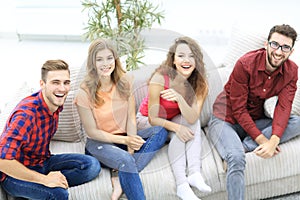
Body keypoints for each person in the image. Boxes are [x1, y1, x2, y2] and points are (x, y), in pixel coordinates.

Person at [207, 24, 300, 200]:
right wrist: (263, 140)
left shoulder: (291, 71)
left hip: (254, 120)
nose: (279, 52)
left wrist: (274, 140)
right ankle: (237, 149)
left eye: (285, 47)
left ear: (291, 51)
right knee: (236, 158)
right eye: (275, 45)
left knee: (296, 121)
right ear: (266, 44)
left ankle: (245, 145)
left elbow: (284, 107)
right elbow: (239, 109)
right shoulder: (245, 64)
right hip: (224, 119)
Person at [74, 38, 168, 200]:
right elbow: (92, 132)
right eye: (99, 59)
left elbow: (131, 117)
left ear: (115, 60)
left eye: (109, 58)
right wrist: (126, 142)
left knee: (160, 131)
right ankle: (123, 166)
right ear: (93, 63)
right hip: (100, 143)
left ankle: (119, 174)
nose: (105, 64)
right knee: (125, 159)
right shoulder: (84, 93)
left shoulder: (125, 82)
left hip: (125, 139)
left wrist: (131, 144)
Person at [0, 59, 101, 199]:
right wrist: (44, 180)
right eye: (55, 82)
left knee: (92, 166)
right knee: (58, 194)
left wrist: (51, 177)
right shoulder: (26, 115)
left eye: (66, 83)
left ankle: (40, 189)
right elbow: (2, 161)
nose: (62, 88)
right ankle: (38, 187)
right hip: (15, 174)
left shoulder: (55, 103)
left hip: (41, 161)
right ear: (42, 84)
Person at [136, 36, 212, 200]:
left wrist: (179, 98)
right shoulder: (160, 78)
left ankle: (194, 173)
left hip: (170, 119)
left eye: (191, 56)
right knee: (179, 131)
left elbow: (192, 118)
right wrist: (177, 127)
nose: (186, 60)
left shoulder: (200, 83)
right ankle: (182, 185)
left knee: (193, 124)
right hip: (146, 121)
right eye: (181, 56)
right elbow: (153, 118)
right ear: (173, 59)